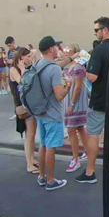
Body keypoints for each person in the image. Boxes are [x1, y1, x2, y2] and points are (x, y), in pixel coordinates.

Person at [75, 17, 109, 184]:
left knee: (92, 134)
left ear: (104, 30)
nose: (96, 33)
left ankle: (90, 172)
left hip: (100, 101)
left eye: (96, 30)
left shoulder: (98, 51)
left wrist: (84, 68)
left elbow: (92, 77)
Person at [36, 36, 71, 191]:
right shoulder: (54, 69)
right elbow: (59, 95)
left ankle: (42, 177)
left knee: (42, 144)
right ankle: (51, 181)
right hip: (52, 114)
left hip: (40, 112)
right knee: (51, 147)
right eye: (56, 46)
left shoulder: (38, 64)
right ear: (51, 49)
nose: (58, 48)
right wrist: (68, 86)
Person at [9, 47, 39, 173]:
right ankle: (29, 163)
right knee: (29, 135)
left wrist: (34, 56)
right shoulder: (13, 70)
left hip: (30, 105)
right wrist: (22, 69)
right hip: (23, 106)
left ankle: (32, 159)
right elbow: (23, 82)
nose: (29, 59)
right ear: (21, 58)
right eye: (27, 57)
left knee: (31, 135)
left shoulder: (27, 68)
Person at [63, 43, 89, 172]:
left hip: (76, 103)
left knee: (71, 130)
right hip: (72, 101)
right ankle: (87, 151)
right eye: (66, 49)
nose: (66, 51)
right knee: (79, 128)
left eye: (70, 50)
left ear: (76, 52)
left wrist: (72, 104)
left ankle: (75, 159)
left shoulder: (77, 66)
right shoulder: (71, 65)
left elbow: (78, 87)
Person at [5, 36, 21, 120]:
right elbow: (9, 61)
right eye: (8, 46)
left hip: (18, 74)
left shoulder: (20, 50)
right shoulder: (9, 52)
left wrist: (15, 58)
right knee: (14, 94)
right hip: (11, 74)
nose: (9, 47)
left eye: (10, 45)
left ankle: (21, 111)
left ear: (13, 42)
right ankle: (17, 112)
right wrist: (7, 62)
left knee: (19, 93)